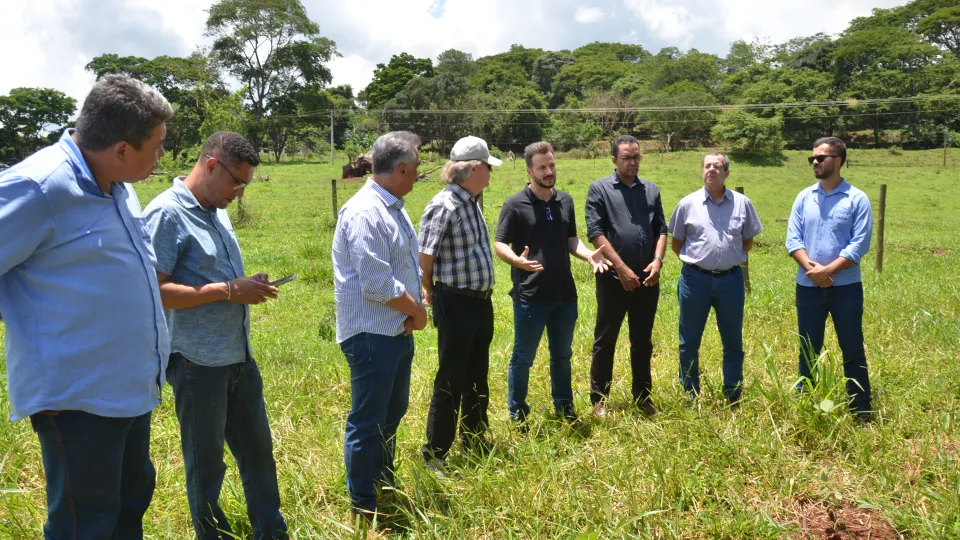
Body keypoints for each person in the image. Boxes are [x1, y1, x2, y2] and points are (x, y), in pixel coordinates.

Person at [0, 74, 172, 539]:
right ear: (120, 148)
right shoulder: (39, 187)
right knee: (85, 524)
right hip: (77, 398)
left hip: (128, 390)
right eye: (155, 148)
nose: (161, 158)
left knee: (128, 504)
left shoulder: (119, 185)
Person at [143, 132, 288, 539]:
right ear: (210, 166)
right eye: (236, 183)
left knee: (258, 454)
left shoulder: (216, 209)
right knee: (206, 467)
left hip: (237, 357)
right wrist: (226, 290)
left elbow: (214, 277)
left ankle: (272, 533)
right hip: (197, 363)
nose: (239, 193)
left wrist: (245, 283)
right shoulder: (166, 214)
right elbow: (152, 292)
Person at [332, 131, 427, 520]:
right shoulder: (366, 212)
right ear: (401, 169)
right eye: (417, 168)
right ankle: (363, 505)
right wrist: (418, 312)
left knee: (392, 411)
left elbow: (402, 265)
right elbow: (376, 283)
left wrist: (413, 308)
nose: (418, 174)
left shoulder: (394, 206)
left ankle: (382, 479)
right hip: (372, 335)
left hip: (394, 329)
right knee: (367, 421)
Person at [494, 141, 608, 427]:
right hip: (530, 296)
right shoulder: (514, 203)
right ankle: (518, 415)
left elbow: (571, 240)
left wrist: (588, 256)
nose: (548, 171)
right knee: (523, 358)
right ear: (529, 171)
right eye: (542, 167)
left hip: (564, 295)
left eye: (552, 165)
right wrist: (517, 262)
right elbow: (499, 244)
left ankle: (564, 407)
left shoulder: (565, 200)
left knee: (562, 355)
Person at [419, 135, 499, 474]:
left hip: (480, 302)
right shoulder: (445, 204)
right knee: (451, 377)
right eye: (488, 169)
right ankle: (435, 452)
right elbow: (425, 256)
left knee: (477, 375)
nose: (491, 175)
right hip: (455, 302)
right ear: (474, 169)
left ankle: (475, 438)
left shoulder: (473, 200)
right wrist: (428, 292)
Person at [786, 136, 874, 421]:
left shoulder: (857, 199)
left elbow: (858, 245)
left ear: (838, 161)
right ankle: (805, 403)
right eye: (812, 158)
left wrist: (828, 271)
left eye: (821, 158)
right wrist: (813, 270)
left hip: (845, 288)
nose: (815, 162)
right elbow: (793, 239)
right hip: (808, 287)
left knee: (851, 347)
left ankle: (860, 408)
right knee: (808, 347)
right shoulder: (803, 197)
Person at [667, 152, 762, 405]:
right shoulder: (687, 204)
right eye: (707, 166)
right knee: (688, 342)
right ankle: (690, 394)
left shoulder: (743, 204)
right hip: (695, 280)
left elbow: (748, 242)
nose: (711, 170)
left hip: (731, 281)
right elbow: (676, 244)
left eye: (717, 166)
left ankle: (733, 394)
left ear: (726, 173)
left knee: (732, 341)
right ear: (702, 172)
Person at [585, 135, 668, 417]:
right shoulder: (600, 190)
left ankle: (643, 397)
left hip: (647, 279)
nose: (632, 163)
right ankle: (599, 400)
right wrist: (620, 268)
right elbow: (595, 233)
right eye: (626, 158)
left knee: (642, 340)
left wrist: (658, 261)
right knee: (606, 339)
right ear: (614, 160)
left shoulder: (651, 190)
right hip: (613, 279)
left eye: (636, 157)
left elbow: (661, 230)